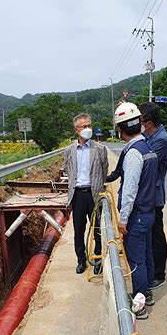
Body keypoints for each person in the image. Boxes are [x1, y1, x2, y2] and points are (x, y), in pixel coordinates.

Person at [114, 102, 158, 318]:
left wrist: (123, 219)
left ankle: (139, 304)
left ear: (120, 128)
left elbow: (130, 189)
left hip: (137, 215)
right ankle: (147, 292)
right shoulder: (147, 147)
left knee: (136, 259)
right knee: (146, 255)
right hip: (148, 213)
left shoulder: (133, 153)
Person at [64, 113, 108, 274]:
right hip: (78, 195)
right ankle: (81, 260)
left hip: (94, 194)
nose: (88, 129)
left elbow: (104, 170)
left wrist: (98, 185)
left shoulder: (100, 149)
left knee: (97, 229)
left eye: (90, 125)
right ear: (77, 129)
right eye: (84, 126)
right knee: (79, 229)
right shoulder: (69, 150)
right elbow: (68, 170)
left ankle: (97, 259)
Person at [139, 102, 167, 288]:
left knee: (156, 234)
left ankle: (159, 273)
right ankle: (151, 268)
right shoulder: (148, 135)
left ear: (148, 122)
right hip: (147, 194)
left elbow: (145, 163)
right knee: (149, 234)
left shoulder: (162, 140)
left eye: (140, 119)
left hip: (154, 195)